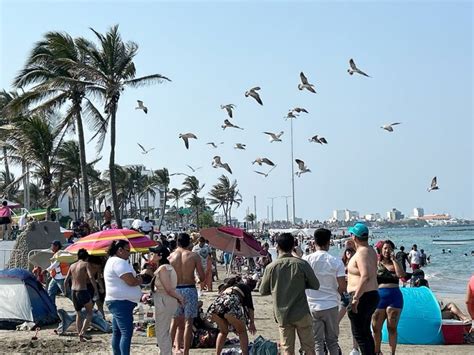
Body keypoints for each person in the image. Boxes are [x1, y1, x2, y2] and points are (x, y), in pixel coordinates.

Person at [260, 232, 320, 355]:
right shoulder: (302, 264)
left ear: (277, 247)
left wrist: (275, 287)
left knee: (287, 349)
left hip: (282, 314)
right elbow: (316, 285)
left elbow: (262, 290)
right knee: (309, 348)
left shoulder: (271, 267)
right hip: (301, 312)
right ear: (293, 246)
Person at [304, 228, 346, 355]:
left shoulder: (306, 260)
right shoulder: (335, 261)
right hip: (330, 304)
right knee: (332, 341)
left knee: (318, 342)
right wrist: (336, 295)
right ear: (329, 242)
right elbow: (342, 286)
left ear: (314, 242)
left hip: (312, 304)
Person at [104, 240, 143, 355]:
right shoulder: (118, 262)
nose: (129, 253)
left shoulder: (113, 261)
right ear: (120, 250)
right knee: (126, 332)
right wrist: (139, 280)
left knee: (118, 332)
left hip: (118, 301)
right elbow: (131, 281)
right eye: (127, 250)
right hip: (121, 302)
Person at [169, 233, 205, 355]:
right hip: (189, 289)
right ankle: (186, 352)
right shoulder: (194, 256)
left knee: (174, 321)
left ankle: (167, 350)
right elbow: (202, 276)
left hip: (175, 290)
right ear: (188, 242)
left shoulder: (170, 257)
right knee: (188, 322)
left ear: (177, 242)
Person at [346, 223, 379, 355]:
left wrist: (355, 298)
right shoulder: (370, 250)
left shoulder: (362, 253)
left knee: (360, 334)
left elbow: (365, 276)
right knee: (365, 333)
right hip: (370, 295)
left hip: (362, 296)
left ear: (354, 237)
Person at [372, 240, 405, 355]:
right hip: (379, 297)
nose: (387, 250)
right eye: (385, 248)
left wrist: (394, 259)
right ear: (381, 250)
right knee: (376, 328)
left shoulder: (396, 263)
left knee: (392, 328)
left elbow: (401, 275)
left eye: (390, 248)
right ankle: (377, 351)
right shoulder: (376, 263)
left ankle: (392, 353)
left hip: (394, 296)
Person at [149, 245, 184, 355]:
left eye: (154, 253)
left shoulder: (163, 268)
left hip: (164, 300)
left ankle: (165, 353)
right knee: (164, 331)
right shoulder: (166, 267)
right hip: (167, 300)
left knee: (162, 332)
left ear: (160, 256)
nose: (151, 255)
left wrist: (180, 298)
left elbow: (168, 289)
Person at [208, 276, 257, 355]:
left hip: (216, 306)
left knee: (223, 332)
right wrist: (252, 322)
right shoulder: (245, 287)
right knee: (242, 332)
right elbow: (250, 308)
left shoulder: (227, 288)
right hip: (231, 304)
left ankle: (217, 353)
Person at [64, 248, 98, 341]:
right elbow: (91, 277)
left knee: (78, 314)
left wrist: (65, 291)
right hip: (82, 291)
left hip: (73, 291)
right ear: (86, 257)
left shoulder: (72, 265)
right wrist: (96, 290)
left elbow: (66, 280)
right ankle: (83, 332)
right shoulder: (86, 264)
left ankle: (80, 337)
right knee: (90, 312)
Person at [46, 240, 70, 305]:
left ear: (57, 246)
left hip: (61, 278)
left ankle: (81, 307)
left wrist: (47, 270)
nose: (51, 247)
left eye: (52, 245)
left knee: (67, 294)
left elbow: (56, 263)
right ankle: (52, 309)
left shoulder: (60, 254)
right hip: (56, 277)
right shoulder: (56, 254)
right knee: (50, 291)